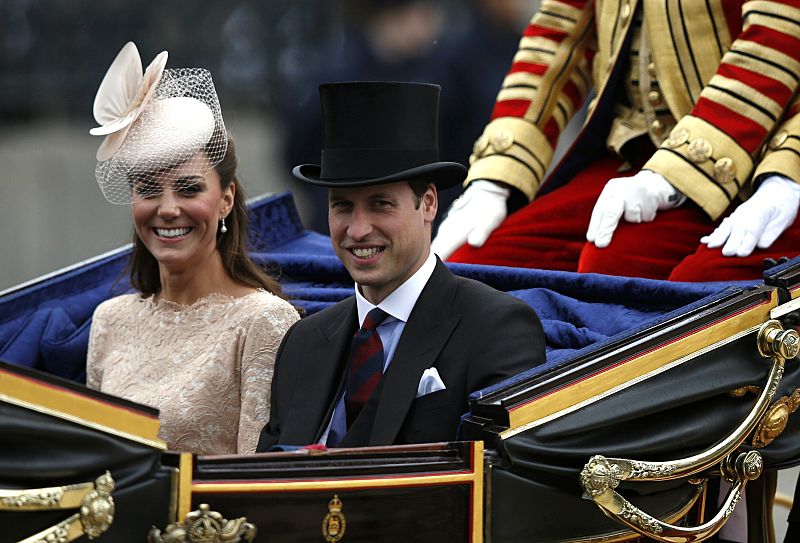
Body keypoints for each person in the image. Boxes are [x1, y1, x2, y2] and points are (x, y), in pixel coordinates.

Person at [257, 82, 546, 450]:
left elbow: (498, 483)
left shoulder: (496, 329)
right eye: (342, 206)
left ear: (427, 204)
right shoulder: (303, 341)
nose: (358, 230)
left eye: (381, 204)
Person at [431, 1, 800, 282]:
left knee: (628, 270)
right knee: (471, 273)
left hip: (755, 151)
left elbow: (776, 37)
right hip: (631, 155)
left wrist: (678, 174)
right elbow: (558, 39)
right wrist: (494, 178)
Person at [85, 42, 299, 455]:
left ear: (226, 198)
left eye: (188, 188)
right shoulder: (109, 320)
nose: (167, 209)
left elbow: (258, 478)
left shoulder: (264, 321)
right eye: (148, 189)